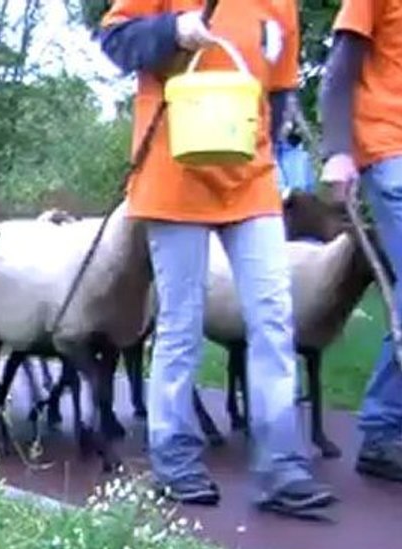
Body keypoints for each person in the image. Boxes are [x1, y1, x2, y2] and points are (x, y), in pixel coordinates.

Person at [99, 0, 334, 516]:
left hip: (251, 180)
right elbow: (114, 41)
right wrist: (172, 31)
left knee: (274, 316)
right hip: (172, 175)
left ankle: (281, 465)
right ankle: (174, 458)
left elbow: (280, 86)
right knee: (182, 321)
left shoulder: (282, 6)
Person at [320, 0, 402, 483]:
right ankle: (381, 429)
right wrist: (336, 151)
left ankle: (383, 426)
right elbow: (340, 69)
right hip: (390, 151)